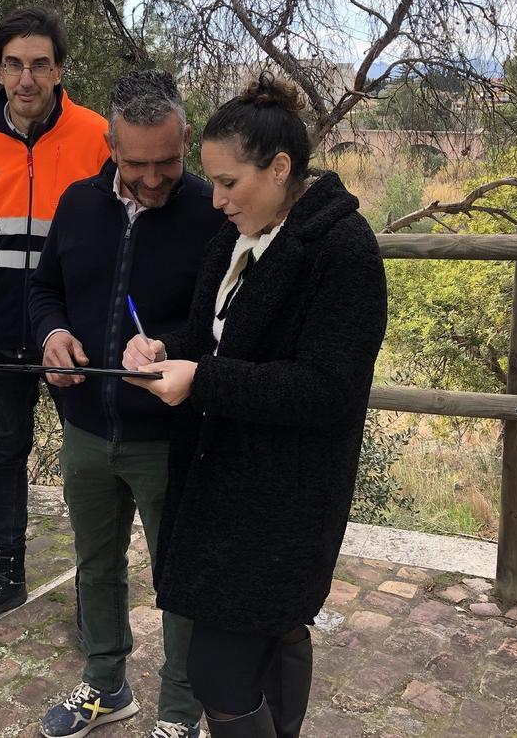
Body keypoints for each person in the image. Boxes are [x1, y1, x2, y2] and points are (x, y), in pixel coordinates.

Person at [123, 73, 387, 737]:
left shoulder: (342, 251)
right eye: (210, 182)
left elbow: (327, 388)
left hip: (285, 498)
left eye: (228, 182)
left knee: (215, 670)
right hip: (218, 485)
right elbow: (215, 337)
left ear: (279, 167)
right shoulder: (239, 234)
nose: (214, 200)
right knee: (267, 642)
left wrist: (202, 382)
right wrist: (162, 349)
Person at [28, 70, 225, 738]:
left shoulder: (211, 213)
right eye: (135, 162)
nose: (150, 178)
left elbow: (226, 325)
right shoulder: (78, 205)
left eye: (165, 161)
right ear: (110, 144)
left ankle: (179, 713)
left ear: (186, 140)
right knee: (95, 566)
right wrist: (53, 334)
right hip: (85, 427)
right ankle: (107, 685)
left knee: (179, 579)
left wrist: (172, 345)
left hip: (171, 435)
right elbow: (45, 290)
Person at [0, 8, 110, 634]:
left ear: (59, 70)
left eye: (40, 64)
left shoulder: (97, 134)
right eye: (14, 64)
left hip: (76, 322)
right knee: (5, 449)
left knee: (87, 456)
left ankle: (92, 585)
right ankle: (4, 574)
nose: (26, 78)